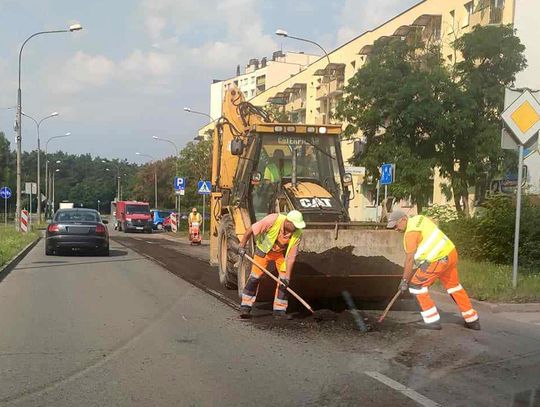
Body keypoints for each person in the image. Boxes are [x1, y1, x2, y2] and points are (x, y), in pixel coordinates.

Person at [387, 210, 480, 330]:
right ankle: (472, 319)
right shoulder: (419, 219)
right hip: (450, 252)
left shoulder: (410, 234)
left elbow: (409, 259)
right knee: (454, 287)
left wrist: (404, 280)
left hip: (437, 259)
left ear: (403, 219)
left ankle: (432, 321)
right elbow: (429, 238)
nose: (395, 229)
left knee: (416, 287)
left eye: (396, 225)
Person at [237, 210, 306, 319]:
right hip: (263, 251)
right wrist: (242, 245)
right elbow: (251, 229)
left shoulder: (297, 233)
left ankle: (279, 310)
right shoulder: (272, 220)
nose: (297, 228)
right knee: (255, 277)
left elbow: (291, 257)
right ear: (288, 222)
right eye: (295, 226)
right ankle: (245, 306)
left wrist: (287, 278)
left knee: (284, 281)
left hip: (280, 254)